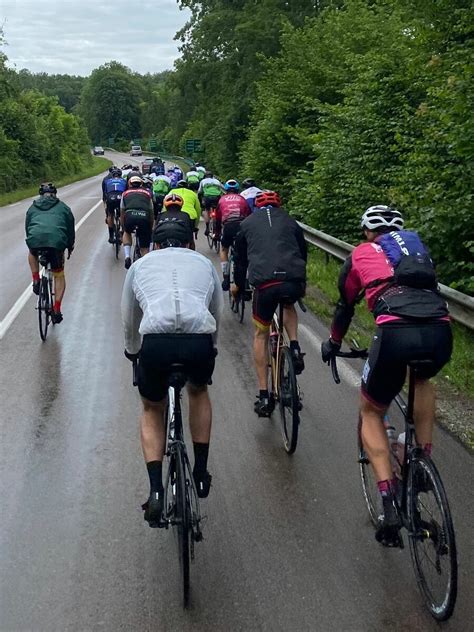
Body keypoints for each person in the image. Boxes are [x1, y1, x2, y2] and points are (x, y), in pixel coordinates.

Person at [321, 205, 452, 547]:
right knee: (422, 379)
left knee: (371, 410)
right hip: (440, 328)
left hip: (394, 330)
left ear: (367, 232)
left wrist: (334, 343)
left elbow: (345, 305)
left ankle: (388, 500)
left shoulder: (361, 254)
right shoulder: (417, 248)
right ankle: (421, 457)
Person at [121, 216, 223, 526]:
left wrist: (132, 351)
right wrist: (212, 347)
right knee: (198, 390)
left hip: (157, 342)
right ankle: (201, 471)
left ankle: (155, 491)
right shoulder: (204, 264)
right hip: (198, 342)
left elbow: (129, 316)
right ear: (191, 242)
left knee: (152, 408)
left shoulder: (141, 265)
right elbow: (216, 310)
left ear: (154, 244)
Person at [233, 190, 307, 416]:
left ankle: (264, 395)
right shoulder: (291, 221)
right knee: (288, 305)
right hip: (292, 279)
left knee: (261, 334)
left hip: (265, 284)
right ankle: (294, 346)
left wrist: (239, 286)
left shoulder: (246, 224)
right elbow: (303, 253)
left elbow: (241, 260)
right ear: (279, 205)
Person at [25, 183, 75, 324]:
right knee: (59, 274)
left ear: (41, 195)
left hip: (35, 240)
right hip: (56, 243)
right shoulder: (64, 208)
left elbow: (28, 227)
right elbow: (70, 230)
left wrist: (31, 241)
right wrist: (70, 246)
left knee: (32, 252)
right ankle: (57, 309)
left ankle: (36, 279)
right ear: (55, 194)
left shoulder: (32, 207)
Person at [215, 179, 250, 290]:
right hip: (241, 226)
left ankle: (225, 277)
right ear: (237, 190)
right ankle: (246, 280)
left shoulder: (222, 199)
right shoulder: (242, 199)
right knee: (245, 252)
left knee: (224, 249)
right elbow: (249, 216)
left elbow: (218, 218)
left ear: (225, 190)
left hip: (228, 226)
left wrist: (217, 232)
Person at [120, 175, 154, 269]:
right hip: (144, 217)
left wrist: (123, 227)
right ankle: (145, 265)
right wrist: (150, 227)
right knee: (144, 248)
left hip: (130, 216)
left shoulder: (125, 193)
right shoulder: (147, 193)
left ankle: (127, 256)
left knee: (127, 232)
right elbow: (151, 212)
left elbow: (122, 211)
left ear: (129, 184)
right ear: (141, 184)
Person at [172, 180, 201, 246]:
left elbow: (164, 207)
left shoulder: (172, 192)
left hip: (174, 216)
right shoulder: (192, 193)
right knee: (190, 239)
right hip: (190, 217)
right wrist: (196, 226)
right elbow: (198, 210)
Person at [104, 167, 127, 243]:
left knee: (110, 215)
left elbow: (105, 194)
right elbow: (126, 193)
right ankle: (122, 232)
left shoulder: (107, 181)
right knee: (122, 214)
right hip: (120, 197)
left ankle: (111, 236)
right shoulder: (124, 181)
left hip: (111, 197)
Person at [198, 171, 224, 236]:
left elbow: (199, 191)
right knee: (218, 210)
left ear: (205, 176)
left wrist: (200, 201)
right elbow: (223, 189)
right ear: (212, 176)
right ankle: (218, 225)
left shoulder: (203, 181)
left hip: (207, 197)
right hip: (216, 198)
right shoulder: (217, 181)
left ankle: (207, 228)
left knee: (206, 210)